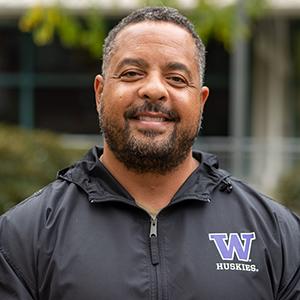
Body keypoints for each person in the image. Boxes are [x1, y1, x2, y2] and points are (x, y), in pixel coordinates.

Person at [0, 6, 299, 300]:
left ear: (201, 101)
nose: (154, 89)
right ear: (99, 93)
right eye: (132, 73)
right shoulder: (23, 237)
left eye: (176, 78)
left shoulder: (278, 236)